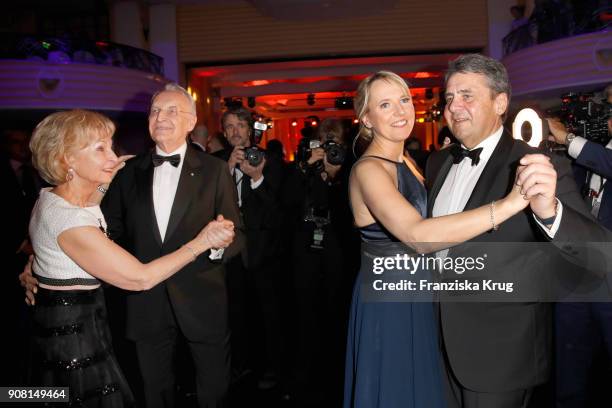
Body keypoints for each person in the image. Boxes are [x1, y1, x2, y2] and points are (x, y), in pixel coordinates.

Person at [426, 54, 610, 408]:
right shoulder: (438, 162)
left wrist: (550, 212)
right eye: (449, 98)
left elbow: (598, 255)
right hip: (434, 344)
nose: (454, 107)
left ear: (500, 103)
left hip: (501, 352)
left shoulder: (540, 164)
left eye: (467, 96)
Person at [344, 70, 531, 408]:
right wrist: (505, 206)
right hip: (390, 299)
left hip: (420, 294)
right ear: (365, 118)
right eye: (385, 105)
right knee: (397, 392)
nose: (400, 112)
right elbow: (417, 236)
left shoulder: (412, 162)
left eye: (404, 100)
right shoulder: (368, 169)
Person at [25, 109, 235, 407]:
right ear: (67, 158)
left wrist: (35, 264)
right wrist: (201, 241)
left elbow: (70, 224)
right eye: (100, 149)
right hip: (74, 344)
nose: (113, 158)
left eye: (111, 146)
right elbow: (140, 278)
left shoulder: (51, 197)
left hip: (70, 328)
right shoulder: (68, 219)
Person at [284, 118, 358, 406]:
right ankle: (306, 370)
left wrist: (335, 174)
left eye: (334, 143)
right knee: (305, 310)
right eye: (324, 142)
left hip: (337, 247)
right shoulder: (304, 165)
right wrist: (306, 167)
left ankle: (335, 371)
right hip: (305, 248)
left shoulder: (350, 167)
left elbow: (352, 209)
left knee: (336, 308)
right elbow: (287, 201)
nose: (329, 148)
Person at [214, 106, 283, 388]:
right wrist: (228, 168)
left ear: (250, 129)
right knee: (234, 312)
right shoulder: (215, 162)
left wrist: (257, 178)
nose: (235, 132)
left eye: (240, 126)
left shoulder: (272, 161)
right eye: (229, 127)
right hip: (229, 252)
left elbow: (278, 214)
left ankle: (272, 368)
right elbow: (207, 202)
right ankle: (239, 366)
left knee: (268, 313)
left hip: (263, 251)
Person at [547, 107, 612, 407]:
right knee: (570, 369)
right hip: (578, 274)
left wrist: (568, 137)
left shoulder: (591, 152)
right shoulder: (588, 154)